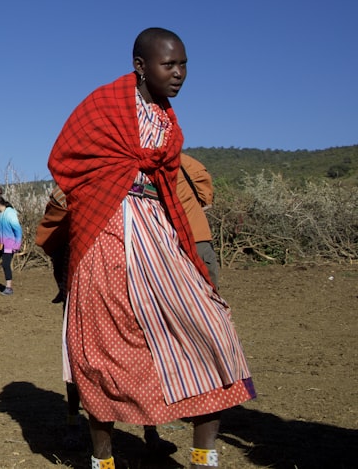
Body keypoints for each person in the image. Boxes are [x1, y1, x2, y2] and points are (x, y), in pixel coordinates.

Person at [48, 27, 254, 469]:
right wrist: (115, 182)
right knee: (104, 347)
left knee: (209, 326)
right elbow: (65, 158)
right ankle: (102, 459)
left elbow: (165, 176)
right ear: (140, 66)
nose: (179, 73)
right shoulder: (103, 105)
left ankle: (205, 457)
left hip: (158, 233)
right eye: (169, 64)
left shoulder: (165, 117)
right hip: (106, 233)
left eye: (183, 65)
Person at [35, 185, 177, 457]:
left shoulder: (139, 179)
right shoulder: (73, 185)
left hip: (134, 276)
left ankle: (150, 429)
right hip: (85, 277)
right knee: (82, 353)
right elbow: (52, 230)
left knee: (142, 351)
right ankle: (74, 422)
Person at [178, 153, 220, 286]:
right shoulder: (184, 161)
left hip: (161, 242)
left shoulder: (137, 164)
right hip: (197, 236)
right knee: (209, 295)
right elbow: (206, 197)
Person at [0, 196, 21, 295]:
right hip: (0, 244)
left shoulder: (10, 213)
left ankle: (9, 288)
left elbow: (18, 229)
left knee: (5, 264)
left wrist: (17, 244)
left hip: (9, 244)